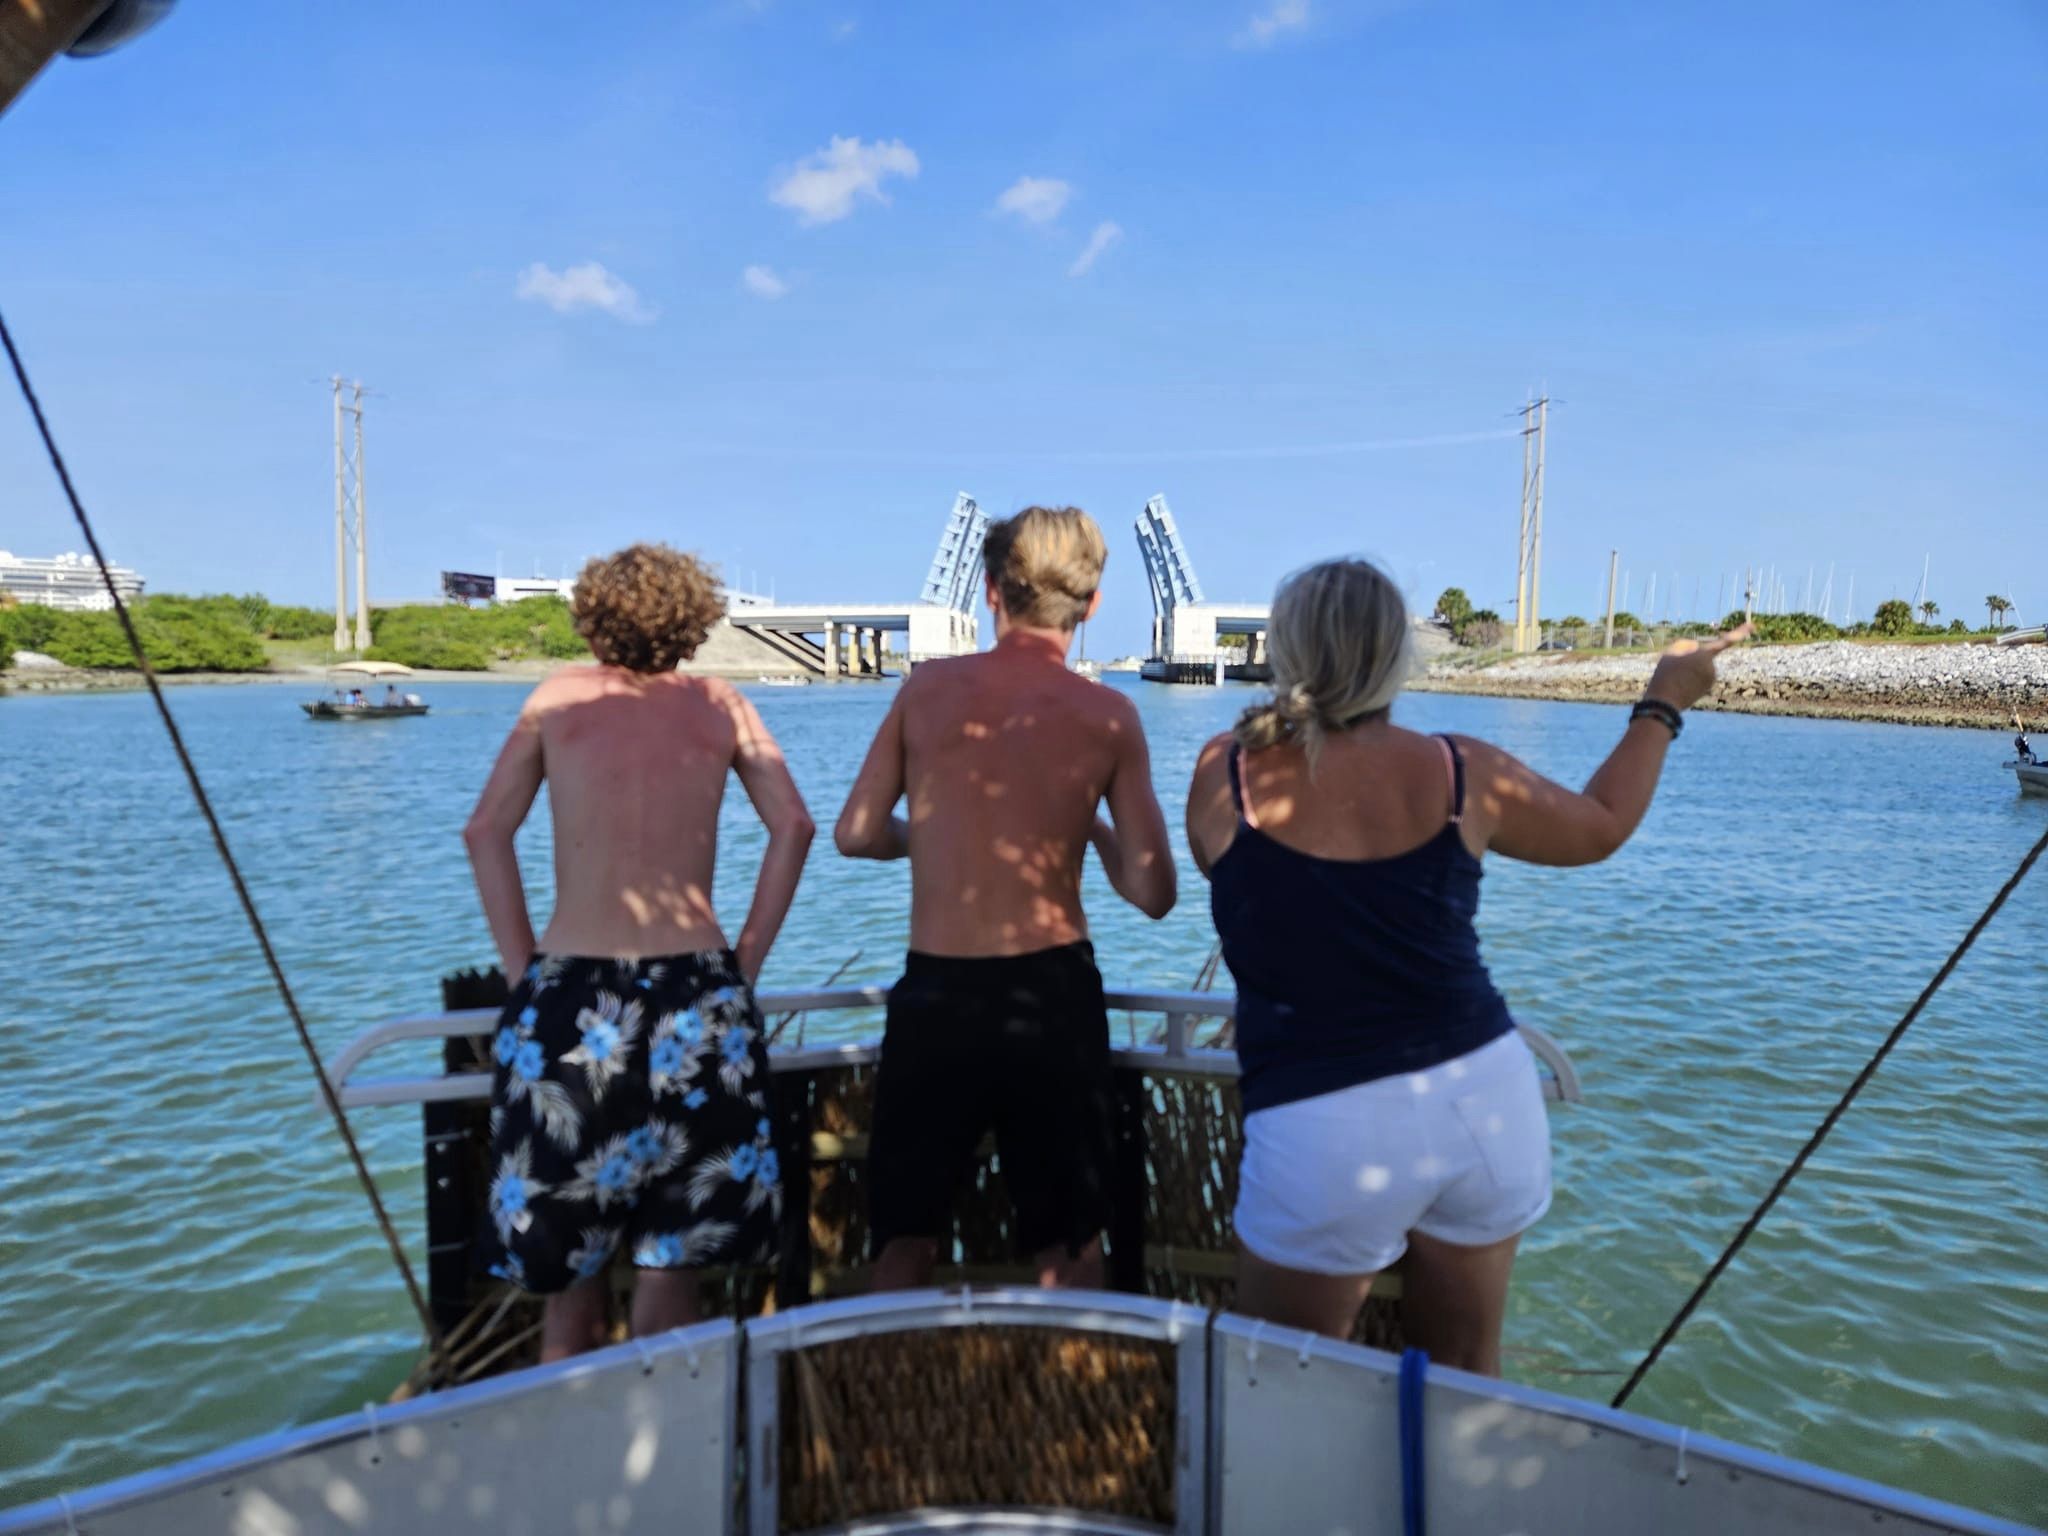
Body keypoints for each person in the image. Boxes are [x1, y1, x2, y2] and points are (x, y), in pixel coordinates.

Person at [1183, 557, 1748, 1373]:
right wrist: (1664, 700)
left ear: (1285, 651)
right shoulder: (1459, 769)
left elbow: (1228, 877)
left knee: (1281, 1387)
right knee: (1465, 1382)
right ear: (1398, 657)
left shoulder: (1225, 771)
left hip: (1321, 1120)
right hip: (1481, 1100)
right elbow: (1601, 827)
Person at [463, 542, 814, 1360]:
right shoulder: (721, 704)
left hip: (571, 1001)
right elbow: (792, 827)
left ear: (590, 625)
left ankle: (576, 1472)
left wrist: (527, 977)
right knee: (671, 1269)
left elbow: (486, 832)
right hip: (699, 996)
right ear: (694, 628)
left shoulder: (556, 699)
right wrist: (742, 966)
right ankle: (668, 1461)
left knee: (564, 1280)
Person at [835, 505, 1177, 1290]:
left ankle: (891, 1404)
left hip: (938, 994)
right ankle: (1072, 1409)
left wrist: (932, 833)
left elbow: (855, 833)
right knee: (1070, 1249)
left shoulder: (925, 691)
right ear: (1092, 605)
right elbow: (1155, 893)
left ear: (991, 591)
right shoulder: (1111, 717)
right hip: (1052, 998)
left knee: (904, 1243)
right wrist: (1089, 830)